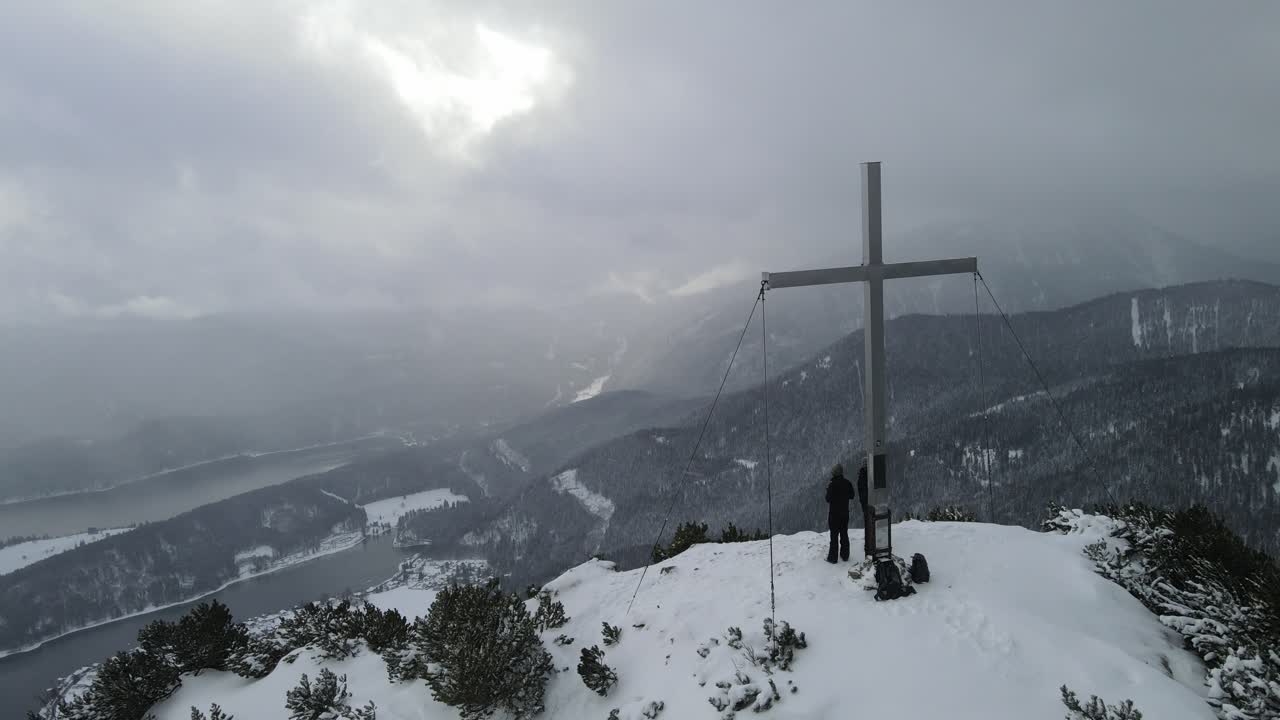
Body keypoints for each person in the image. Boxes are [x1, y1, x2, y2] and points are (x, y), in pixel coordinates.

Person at [825, 463, 855, 563]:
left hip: (834, 514)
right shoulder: (847, 483)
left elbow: (828, 499)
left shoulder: (832, 484)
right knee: (844, 534)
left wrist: (828, 490)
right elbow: (852, 495)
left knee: (834, 536)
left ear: (834, 473)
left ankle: (833, 558)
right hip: (845, 513)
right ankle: (845, 555)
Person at [857, 459, 872, 557]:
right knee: (872, 523)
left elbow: (860, 490)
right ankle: (871, 544)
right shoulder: (872, 474)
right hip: (872, 502)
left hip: (865, 503)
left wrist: (863, 501)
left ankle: (868, 545)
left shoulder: (861, 475)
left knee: (867, 523)